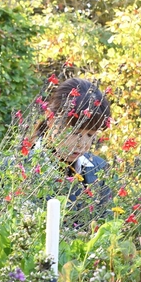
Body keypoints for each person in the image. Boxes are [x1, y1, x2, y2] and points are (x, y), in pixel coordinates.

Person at [33, 77, 112, 214]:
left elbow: (107, 222)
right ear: (51, 118)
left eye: (90, 135)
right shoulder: (17, 168)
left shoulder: (100, 169)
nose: (82, 144)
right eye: (75, 133)